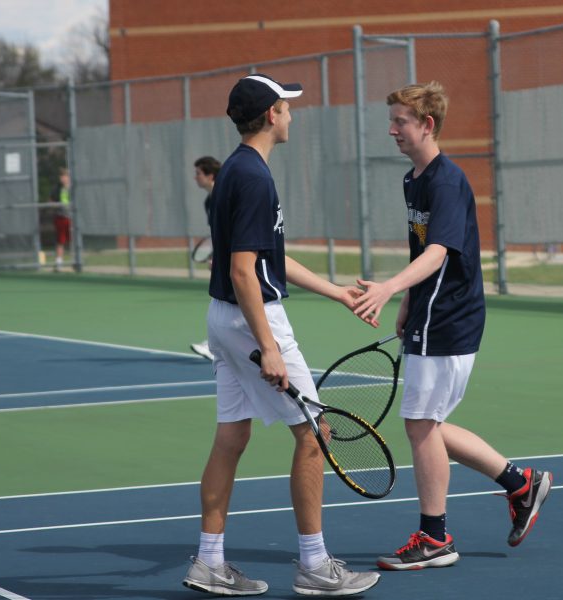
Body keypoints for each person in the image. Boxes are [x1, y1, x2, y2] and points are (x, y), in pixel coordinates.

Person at [181, 73, 380, 597]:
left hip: (222, 319)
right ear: (272, 115)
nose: (292, 114)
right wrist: (267, 345)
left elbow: (268, 256)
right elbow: (246, 271)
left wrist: (335, 291)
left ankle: (208, 562)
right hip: (251, 320)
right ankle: (315, 565)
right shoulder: (254, 178)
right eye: (287, 107)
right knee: (316, 434)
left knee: (232, 437)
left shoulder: (235, 172)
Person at [352, 81, 553, 570]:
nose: (392, 129)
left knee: (420, 426)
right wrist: (408, 304)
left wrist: (389, 289)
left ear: (427, 125)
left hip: (451, 318)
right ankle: (520, 484)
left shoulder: (445, 181)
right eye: (392, 120)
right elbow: (423, 251)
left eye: (401, 121)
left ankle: (436, 537)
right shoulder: (413, 179)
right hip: (430, 313)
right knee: (428, 425)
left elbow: (441, 250)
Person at [190, 155, 222, 361]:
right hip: (225, 258)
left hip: (241, 259)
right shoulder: (209, 201)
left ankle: (214, 346)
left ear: (210, 175)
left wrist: (222, 258)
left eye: (198, 174)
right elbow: (218, 233)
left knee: (223, 301)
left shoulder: (224, 195)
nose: (195, 178)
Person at [50, 167, 71, 271]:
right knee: (60, 240)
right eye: (61, 176)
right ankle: (59, 263)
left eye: (64, 176)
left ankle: (77, 261)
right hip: (60, 217)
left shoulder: (73, 187)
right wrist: (54, 206)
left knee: (73, 239)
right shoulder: (57, 188)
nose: (63, 179)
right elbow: (51, 200)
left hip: (72, 218)